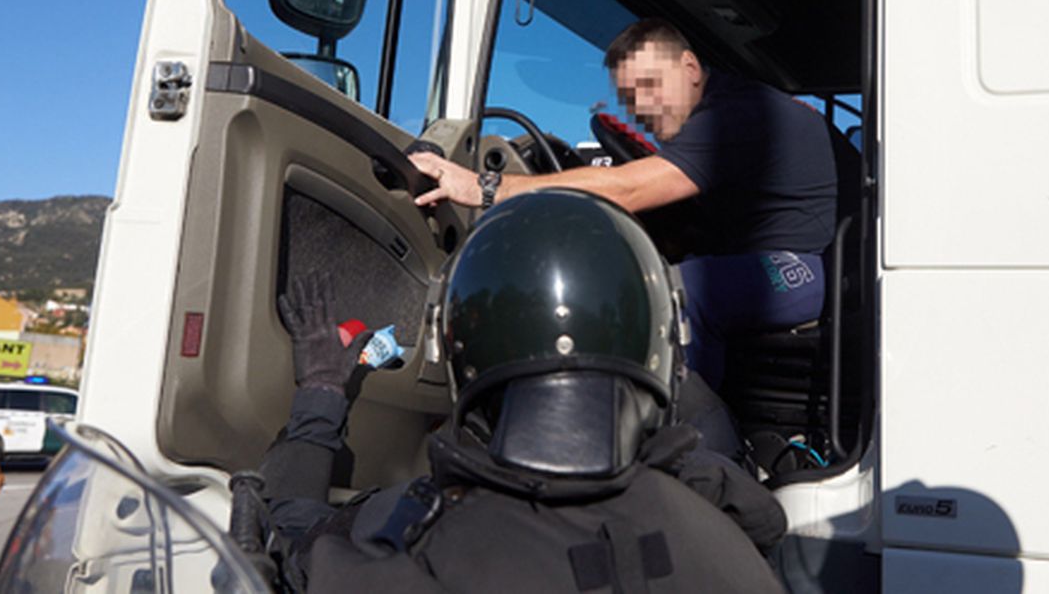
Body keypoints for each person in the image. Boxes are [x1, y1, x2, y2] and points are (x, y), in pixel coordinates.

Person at [259, 188, 788, 593]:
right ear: (663, 339)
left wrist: (321, 393)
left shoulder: (417, 545)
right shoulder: (732, 534)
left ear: (457, 343)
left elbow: (286, 545)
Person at [411, 18, 838, 388]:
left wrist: (487, 188)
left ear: (690, 67)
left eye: (652, 85)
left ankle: (694, 447)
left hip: (815, 268)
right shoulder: (718, 113)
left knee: (681, 292)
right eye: (631, 97)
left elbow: (626, 189)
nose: (643, 107)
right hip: (785, 259)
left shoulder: (732, 115)